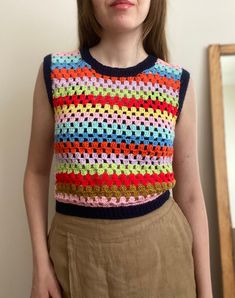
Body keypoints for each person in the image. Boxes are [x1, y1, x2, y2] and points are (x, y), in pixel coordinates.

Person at [23, 0, 213, 297]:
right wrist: (40, 266)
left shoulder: (177, 84)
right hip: (77, 265)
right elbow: (35, 173)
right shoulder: (54, 73)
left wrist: (207, 290)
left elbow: (190, 194)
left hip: (164, 262)